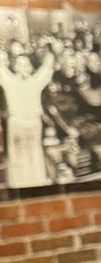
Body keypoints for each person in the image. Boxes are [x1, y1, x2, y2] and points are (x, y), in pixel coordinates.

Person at [0, 50, 55, 188]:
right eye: (19, 65)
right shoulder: (9, 81)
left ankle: (37, 184)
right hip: (16, 124)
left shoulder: (36, 82)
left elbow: (48, 66)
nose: (22, 68)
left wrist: (49, 49)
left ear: (31, 67)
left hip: (33, 123)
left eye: (26, 65)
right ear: (14, 67)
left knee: (35, 154)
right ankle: (18, 185)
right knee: (16, 157)